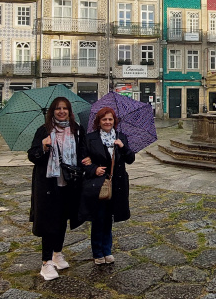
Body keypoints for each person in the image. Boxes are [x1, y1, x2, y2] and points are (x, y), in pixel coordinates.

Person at [28, 96, 86, 281]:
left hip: (69, 183)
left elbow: (82, 152)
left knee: (62, 220)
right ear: (52, 111)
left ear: (69, 111)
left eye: (65, 108)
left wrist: (86, 160)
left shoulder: (77, 130)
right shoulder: (44, 130)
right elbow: (32, 156)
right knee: (49, 222)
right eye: (58, 108)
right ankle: (46, 263)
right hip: (48, 183)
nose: (62, 111)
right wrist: (43, 147)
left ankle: (57, 253)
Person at [80, 107, 135, 265]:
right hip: (98, 184)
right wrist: (94, 169)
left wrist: (122, 147)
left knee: (109, 218)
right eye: (104, 119)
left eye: (110, 119)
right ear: (98, 122)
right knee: (98, 218)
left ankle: (107, 250)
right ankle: (97, 252)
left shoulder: (120, 137)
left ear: (114, 121)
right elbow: (82, 160)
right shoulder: (90, 138)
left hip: (117, 184)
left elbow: (130, 159)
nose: (107, 122)